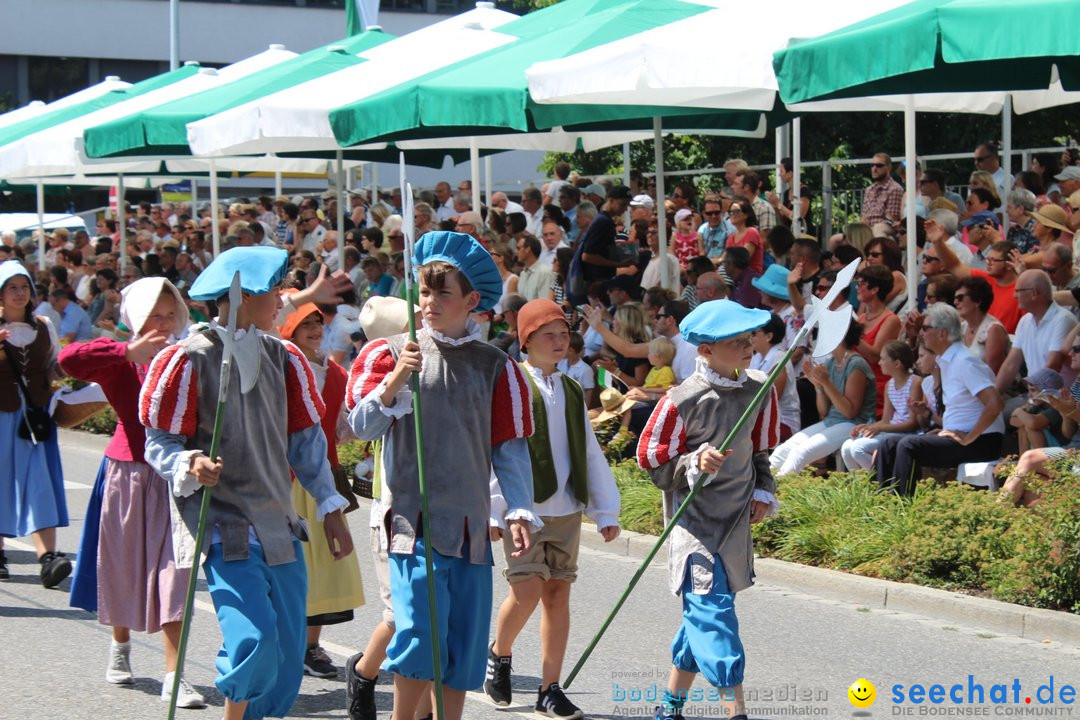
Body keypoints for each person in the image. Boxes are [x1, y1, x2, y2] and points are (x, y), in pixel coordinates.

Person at [140, 247, 354, 720]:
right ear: (244, 295)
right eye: (274, 292)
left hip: (279, 522)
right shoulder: (187, 359)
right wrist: (190, 462)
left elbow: (307, 442)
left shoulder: (286, 357)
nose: (281, 302)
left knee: (285, 651)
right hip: (225, 526)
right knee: (253, 638)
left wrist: (330, 508)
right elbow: (159, 441)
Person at [344, 231, 538, 720]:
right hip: (413, 524)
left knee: (463, 643)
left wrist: (517, 507)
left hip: (471, 527)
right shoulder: (391, 352)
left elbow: (508, 450)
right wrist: (395, 380)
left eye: (442, 292)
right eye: (424, 291)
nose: (428, 302)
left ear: (472, 300)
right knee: (418, 636)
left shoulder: (496, 365)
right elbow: (360, 426)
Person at [60, 277, 204, 706]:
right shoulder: (120, 359)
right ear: (134, 319)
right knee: (123, 565)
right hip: (127, 473)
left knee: (175, 576)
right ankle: (120, 646)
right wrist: (125, 349)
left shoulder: (189, 353)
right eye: (151, 315)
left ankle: (173, 675)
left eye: (168, 314)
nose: (162, 323)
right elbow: (68, 360)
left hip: (176, 476)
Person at [636, 299, 780, 720]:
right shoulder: (680, 400)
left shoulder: (758, 388)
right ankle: (736, 713)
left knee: (699, 621)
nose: (747, 347)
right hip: (692, 526)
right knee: (713, 614)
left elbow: (761, 454)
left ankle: (669, 709)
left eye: (748, 338)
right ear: (705, 350)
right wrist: (692, 462)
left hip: (735, 523)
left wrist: (763, 491)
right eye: (734, 342)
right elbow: (653, 462)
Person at [484, 299, 620, 719]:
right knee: (526, 590)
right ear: (526, 340)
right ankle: (499, 654)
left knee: (557, 595)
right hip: (522, 510)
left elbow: (588, 451)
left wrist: (605, 509)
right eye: (550, 335)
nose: (560, 341)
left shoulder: (573, 388)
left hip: (565, 509)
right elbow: (498, 448)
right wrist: (494, 508)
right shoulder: (511, 382)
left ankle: (550, 688)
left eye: (564, 334)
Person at [275, 300, 366, 681]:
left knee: (326, 565)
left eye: (318, 323)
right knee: (292, 564)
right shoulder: (279, 369)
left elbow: (343, 427)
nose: (315, 329)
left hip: (325, 478)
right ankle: (284, 645)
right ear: (289, 332)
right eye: (304, 325)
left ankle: (311, 647)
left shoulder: (338, 376)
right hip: (287, 477)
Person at [875, 303, 1005, 496]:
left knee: (908, 445)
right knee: (888, 443)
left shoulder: (965, 361)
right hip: (959, 435)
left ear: (942, 334)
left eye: (926, 328)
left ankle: (899, 507)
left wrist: (969, 437)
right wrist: (947, 429)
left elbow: (995, 404)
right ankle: (879, 504)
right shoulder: (947, 361)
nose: (922, 333)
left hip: (982, 441)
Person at [0, 261, 71, 588]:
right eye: (12, 287)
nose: (19, 293)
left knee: (39, 481)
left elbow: (56, 364)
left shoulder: (44, 325)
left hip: (35, 415)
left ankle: (48, 557)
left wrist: (67, 377)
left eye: (24, 287)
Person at [770, 321, 876, 475]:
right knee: (784, 450)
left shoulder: (856, 364)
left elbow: (850, 413)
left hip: (854, 424)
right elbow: (824, 411)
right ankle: (759, 488)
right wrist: (818, 387)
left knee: (800, 452)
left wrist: (826, 382)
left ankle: (772, 493)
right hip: (833, 421)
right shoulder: (832, 362)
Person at [1000, 344, 1080, 507]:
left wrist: (1068, 411)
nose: (1070, 352)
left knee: (1029, 459)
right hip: (1073, 450)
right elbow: (1069, 433)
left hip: (1075, 456)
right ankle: (1028, 529)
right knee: (1032, 481)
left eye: (1077, 348)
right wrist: (1065, 413)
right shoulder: (1077, 385)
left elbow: (1034, 423)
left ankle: (994, 516)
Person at [840, 341, 919, 471]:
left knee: (858, 448)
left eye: (883, 359)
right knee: (846, 447)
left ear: (897, 363)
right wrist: (868, 427)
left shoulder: (915, 383)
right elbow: (886, 419)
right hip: (890, 431)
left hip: (905, 433)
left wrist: (880, 428)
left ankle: (881, 481)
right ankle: (863, 485)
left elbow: (912, 423)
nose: (879, 362)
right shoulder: (890, 385)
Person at [853, 266, 901, 417]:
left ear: (874, 289)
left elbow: (876, 355)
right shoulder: (861, 318)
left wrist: (851, 334)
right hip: (859, 383)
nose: (857, 287)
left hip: (877, 387)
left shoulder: (891, 319)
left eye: (861, 283)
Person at [749, 313, 800, 440]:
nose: (750, 337)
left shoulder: (779, 358)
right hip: (762, 419)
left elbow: (770, 397)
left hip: (783, 421)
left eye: (754, 333)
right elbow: (739, 376)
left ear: (769, 336)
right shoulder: (757, 357)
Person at [955, 276, 1010, 375]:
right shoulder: (962, 327)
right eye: (955, 298)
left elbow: (992, 373)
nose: (955, 302)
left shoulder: (993, 329)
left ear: (977, 301)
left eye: (960, 298)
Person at [1009, 368, 1067, 454]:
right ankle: (1023, 463)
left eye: (1033, 390)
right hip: (1051, 445)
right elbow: (1012, 421)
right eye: (1028, 390)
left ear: (1047, 391)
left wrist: (1018, 411)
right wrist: (1025, 419)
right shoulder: (1039, 405)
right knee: (1023, 427)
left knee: (1030, 428)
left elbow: (1033, 423)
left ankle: (1044, 464)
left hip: (1062, 448)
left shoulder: (1056, 406)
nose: (1029, 395)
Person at [861, 153, 904, 227]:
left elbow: (890, 221)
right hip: (867, 230)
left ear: (889, 167)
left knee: (879, 229)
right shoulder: (869, 190)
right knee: (837, 238)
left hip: (883, 230)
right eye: (872, 165)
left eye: (879, 166)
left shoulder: (895, 189)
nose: (874, 169)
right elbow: (864, 217)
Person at [557, 331, 596, 407]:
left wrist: (585, 411)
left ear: (571, 350)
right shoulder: (561, 363)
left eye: (562, 347)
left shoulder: (585, 370)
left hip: (575, 406)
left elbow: (589, 391)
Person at [726, 198, 764, 275]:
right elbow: (725, 258)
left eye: (736, 211)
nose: (732, 214)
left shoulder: (752, 232)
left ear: (746, 215)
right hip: (735, 277)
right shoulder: (731, 237)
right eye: (731, 212)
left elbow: (743, 259)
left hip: (751, 277)